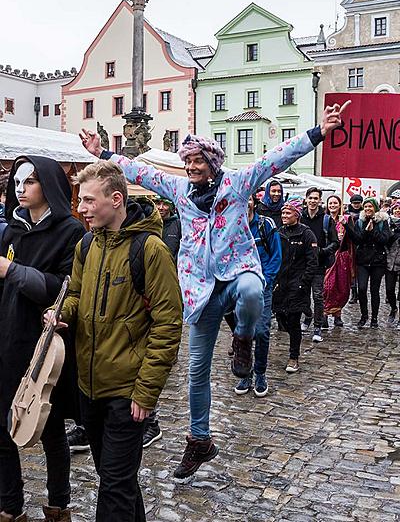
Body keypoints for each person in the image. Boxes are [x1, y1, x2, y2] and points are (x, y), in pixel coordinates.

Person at [80, 100, 349, 479]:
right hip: (201, 288)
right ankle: (199, 440)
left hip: (238, 272)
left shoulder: (237, 184)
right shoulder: (179, 190)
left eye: (197, 162)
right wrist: (103, 152)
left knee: (254, 293)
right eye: (187, 161)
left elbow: (277, 158)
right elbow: (141, 170)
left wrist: (319, 131)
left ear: (213, 164)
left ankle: (243, 337)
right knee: (197, 371)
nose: (190, 167)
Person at [45, 160, 182, 522]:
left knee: (114, 490)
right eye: (80, 200)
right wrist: (63, 314)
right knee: (116, 479)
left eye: (89, 201)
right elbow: (74, 293)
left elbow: (168, 325)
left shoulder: (151, 250)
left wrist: (145, 392)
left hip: (127, 392)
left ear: (116, 199)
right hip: (90, 389)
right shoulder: (86, 245)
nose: (82, 208)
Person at [0, 156, 85, 522]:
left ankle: (58, 506)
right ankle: (10, 507)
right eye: (17, 183)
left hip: (45, 344)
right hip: (7, 335)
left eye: (29, 182)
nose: (21, 189)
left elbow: (63, 288)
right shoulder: (12, 230)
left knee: (51, 430)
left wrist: (13, 271)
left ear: (47, 185)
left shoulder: (71, 232)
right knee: (1, 427)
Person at [142, 196, 182, 449]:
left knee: (154, 352)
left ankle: (151, 422)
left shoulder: (177, 226)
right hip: (145, 293)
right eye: (157, 204)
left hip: (170, 286)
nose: (161, 208)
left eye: (164, 203)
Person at [234, 194, 282, 397]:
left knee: (261, 331)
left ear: (253, 202)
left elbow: (276, 256)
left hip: (263, 286)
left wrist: (266, 280)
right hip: (239, 288)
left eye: (248, 200)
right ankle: (245, 373)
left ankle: (260, 373)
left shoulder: (265, 224)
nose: (245, 205)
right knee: (243, 332)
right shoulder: (231, 227)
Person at [273, 197, 318, 373]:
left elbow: (312, 262)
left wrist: (303, 284)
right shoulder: (278, 232)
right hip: (280, 283)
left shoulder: (306, 234)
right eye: (283, 212)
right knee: (281, 319)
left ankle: (294, 357)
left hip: (297, 284)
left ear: (297, 215)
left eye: (288, 213)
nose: (284, 215)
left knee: (293, 321)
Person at [342, 197, 391, 328]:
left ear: (375, 208)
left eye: (370, 206)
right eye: (366, 207)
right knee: (362, 289)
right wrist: (348, 226)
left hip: (377, 261)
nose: (368, 209)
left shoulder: (382, 221)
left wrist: (373, 230)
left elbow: (385, 239)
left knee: (375, 290)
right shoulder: (360, 221)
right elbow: (357, 240)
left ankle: (374, 318)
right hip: (363, 260)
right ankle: (364, 316)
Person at [301, 187, 339, 342]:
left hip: (318, 263)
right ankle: (308, 316)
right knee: (301, 295)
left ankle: (317, 327)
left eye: (316, 198)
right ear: (306, 199)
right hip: (302, 263)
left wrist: (323, 251)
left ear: (320, 201)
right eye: (310, 198)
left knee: (317, 295)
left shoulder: (326, 219)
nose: (313, 201)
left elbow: (335, 242)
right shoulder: (300, 217)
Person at [323, 195, 355, 327]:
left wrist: (345, 225)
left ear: (340, 204)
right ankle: (324, 313)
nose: (333, 206)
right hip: (328, 256)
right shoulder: (324, 219)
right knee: (327, 286)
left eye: (335, 203)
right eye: (330, 203)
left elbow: (354, 236)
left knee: (340, 287)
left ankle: (337, 314)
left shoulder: (347, 219)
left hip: (342, 257)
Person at [385, 199, 400, 325]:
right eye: (396, 209)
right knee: (389, 290)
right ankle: (394, 308)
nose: (398, 211)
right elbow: (383, 241)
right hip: (390, 262)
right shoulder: (387, 223)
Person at [347, 194, 363, 304]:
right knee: (351, 269)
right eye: (354, 203)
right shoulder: (347, 214)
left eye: (358, 203)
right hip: (350, 244)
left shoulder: (364, 214)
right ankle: (354, 292)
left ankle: (360, 291)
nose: (356, 205)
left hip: (361, 244)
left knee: (359, 270)